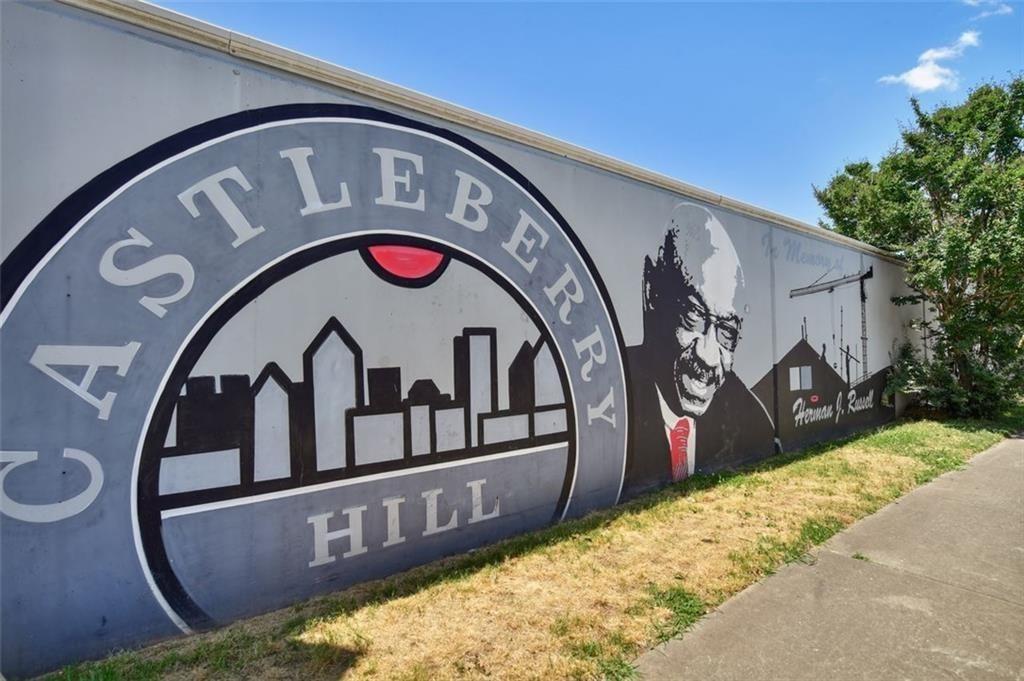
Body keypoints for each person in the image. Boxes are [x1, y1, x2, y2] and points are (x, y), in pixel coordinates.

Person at [623, 203, 775, 497]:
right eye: (693, 314)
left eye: (727, 332)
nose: (708, 356)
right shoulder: (610, 394)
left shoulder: (752, 419)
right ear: (652, 293)